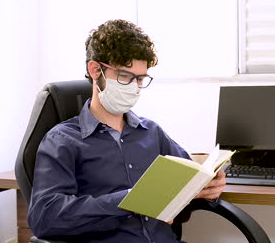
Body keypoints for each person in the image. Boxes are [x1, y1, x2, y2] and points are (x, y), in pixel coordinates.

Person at [27, 19, 226, 243]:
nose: (134, 86)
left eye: (140, 79)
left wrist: (208, 190)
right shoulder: (62, 140)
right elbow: (45, 218)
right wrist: (128, 201)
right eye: (124, 76)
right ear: (95, 70)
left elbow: (188, 183)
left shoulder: (151, 132)